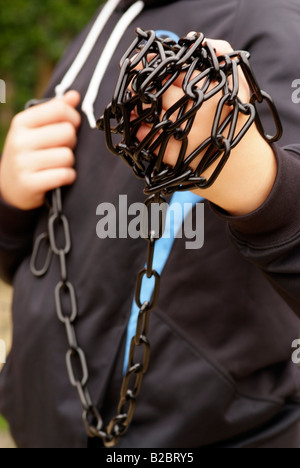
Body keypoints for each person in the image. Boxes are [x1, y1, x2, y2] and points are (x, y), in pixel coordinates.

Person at [0, 0, 300, 448]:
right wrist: (9, 206)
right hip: (40, 422)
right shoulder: (104, 25)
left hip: (206, 433)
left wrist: (257, 180)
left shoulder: (274, 24)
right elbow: (33, 264)